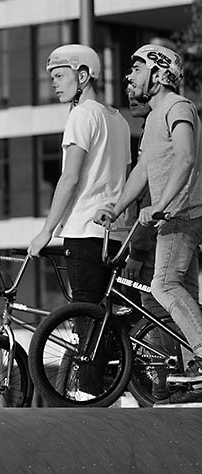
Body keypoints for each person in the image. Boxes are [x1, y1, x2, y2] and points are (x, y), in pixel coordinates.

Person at [95, 43, 202, 405]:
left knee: (163, 285)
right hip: (171, 217)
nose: (130, 76)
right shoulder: (154, 117)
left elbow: (186, 157)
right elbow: (142, 171)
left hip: (183, 215)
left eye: (137, 69)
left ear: (158, 74)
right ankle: (192, 374)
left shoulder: (178, 107)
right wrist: (116, 206)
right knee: (183, 294)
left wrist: (161, 204)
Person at [27, 44, 131, 302]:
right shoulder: (120, 120)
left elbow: (69, 178)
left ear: (83, 76)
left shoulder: (82, 115)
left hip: (84, 232)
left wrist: (46, 232)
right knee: (108, 321)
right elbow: (126, 179)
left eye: (60, 76)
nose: (54, 84)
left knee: (85, 316)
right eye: (52, 78)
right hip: (114, 234)